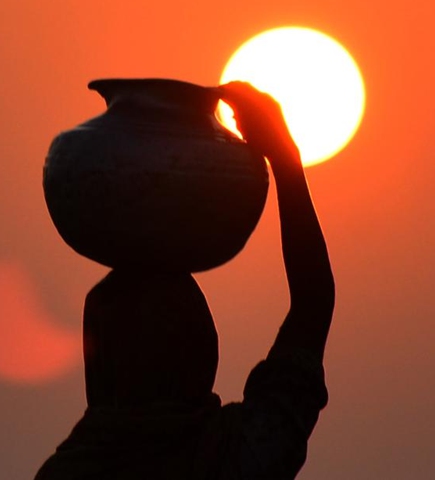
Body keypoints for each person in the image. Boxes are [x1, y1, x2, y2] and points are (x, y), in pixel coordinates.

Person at [34, 82, 335, 480]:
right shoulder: (237, 457)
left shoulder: (68, 473)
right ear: (199, 356)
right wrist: (284, 157)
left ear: (100, 366)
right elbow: (312, 306)